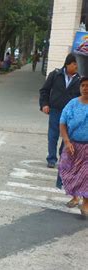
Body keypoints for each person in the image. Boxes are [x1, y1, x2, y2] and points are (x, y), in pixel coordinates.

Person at [39, 53, 81, 168]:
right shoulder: (55, 74)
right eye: (74, 64)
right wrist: (44, 104)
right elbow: (44, 90)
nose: (76, 66)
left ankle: (63, 156)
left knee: (67, 136)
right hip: (55, 110)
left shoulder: (79, 79)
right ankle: (51, 158)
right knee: (53, 134)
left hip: (70, 114)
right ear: (67, 64)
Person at [58, 76, 88, 217]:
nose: (85, 88)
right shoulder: (72, 104)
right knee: (68, 171)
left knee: (86, 176)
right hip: (73, 145)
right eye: (83, 85)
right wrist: (67, 141)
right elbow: (62, 122)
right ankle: (75, 196)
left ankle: (86, 205)